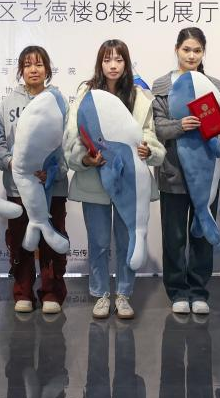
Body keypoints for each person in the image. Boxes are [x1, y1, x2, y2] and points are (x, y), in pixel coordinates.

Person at [63, 40, 165, 320]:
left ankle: (123, 294)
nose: (113, 65)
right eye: (107, 59)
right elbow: (73, 135)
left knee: (127, 239)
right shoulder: (86, 95)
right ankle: (100, 294)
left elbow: (150, 135)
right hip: (94, 181)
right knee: (98, 242)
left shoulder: (139, 97)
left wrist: (148, 150)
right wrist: (85, 159)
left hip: (130, 182)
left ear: (126, 63)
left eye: (119, 60)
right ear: (100, 63)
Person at [150, 27, 220, 316]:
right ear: (177, 50)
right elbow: (157, 127)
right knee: (174, 237)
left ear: (203, 52)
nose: (192, 55)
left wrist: (218, 128)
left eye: (197, 50)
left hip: (207, 176)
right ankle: (177, 291)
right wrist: (180, 126)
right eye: (186, 49)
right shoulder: (161, 86)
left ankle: (198, 291)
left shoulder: (216, 86)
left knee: (202, 236)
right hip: (173, 174)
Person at [0, 45, 69, 314]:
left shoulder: (59, 101)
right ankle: (23, 291)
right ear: (20, 70)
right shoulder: (7, 103)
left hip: (52, 187)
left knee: (52, 238)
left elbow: (68, 143)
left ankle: (51, 292)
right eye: (27, 65)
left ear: (47, 69)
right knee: (19, 240)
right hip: (18, 187)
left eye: (38, 64)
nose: (33, 70)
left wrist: (55, 171)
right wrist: (11, 163)